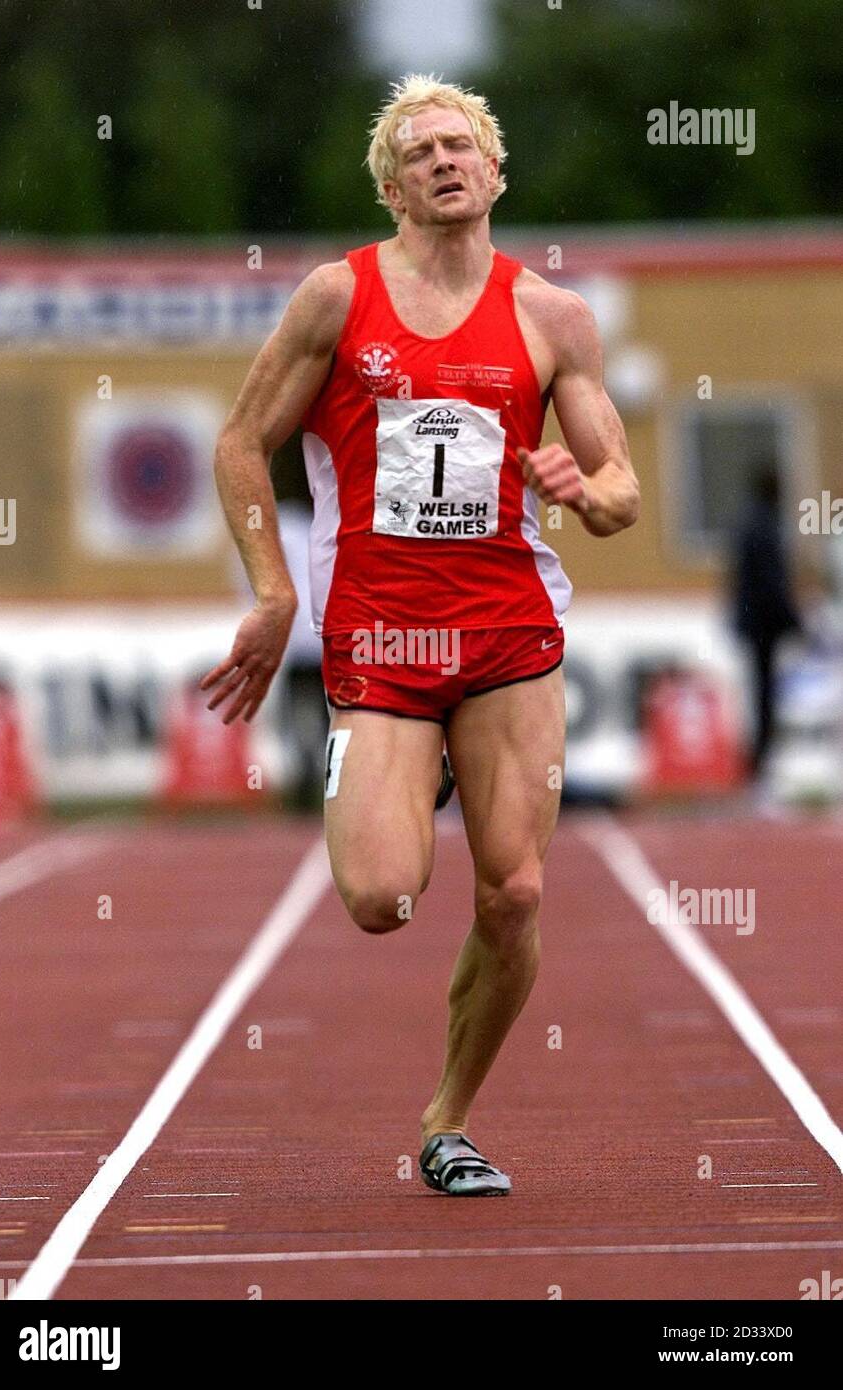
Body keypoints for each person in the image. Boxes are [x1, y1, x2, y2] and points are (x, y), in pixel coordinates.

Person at [201, 75, 639, 1195]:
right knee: (383, 899)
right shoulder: (335, 299)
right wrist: (273, 591)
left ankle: (447, 1119)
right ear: (391, 185)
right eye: (421, 149)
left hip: (507, 635)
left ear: (495, 173)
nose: (445, 160)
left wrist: (583, 493)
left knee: (517, 892)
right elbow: (242, 443)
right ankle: (407, 777)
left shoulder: (552, 317)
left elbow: (621, 486)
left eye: (462, 145)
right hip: (380, 642)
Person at [730, 462, 801, 778]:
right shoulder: (766, 525)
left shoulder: (749, 521)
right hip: (764, 624)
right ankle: (761, 761)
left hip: (753, 621)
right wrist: (793, 620)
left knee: (761, 690)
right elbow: (771, 581)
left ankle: (760, 758)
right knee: (765, 692)